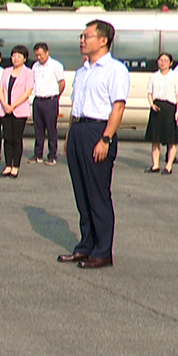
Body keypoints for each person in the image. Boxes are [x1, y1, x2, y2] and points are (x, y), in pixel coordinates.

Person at [59, 20, 129, 270]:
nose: (82, 40)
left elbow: (118, 107)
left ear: (103, 40)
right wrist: (69, 137)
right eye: (81, 35)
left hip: (98, 131)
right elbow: (75, 108)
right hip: (79, 130)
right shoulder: (82, 71)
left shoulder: (114, 69)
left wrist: (106, 139)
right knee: (82, 195)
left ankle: (103, 251)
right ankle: (85, 245)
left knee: (98, 195)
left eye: (86, 36)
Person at [0, 45, 36, 178]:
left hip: (19, 110)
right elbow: (1, 89)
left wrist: (13, 105)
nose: (15, 58)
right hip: (5, 109)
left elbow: (27, 92)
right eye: (14, 55)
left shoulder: (28, 73)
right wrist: (5, 104)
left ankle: (16, 166)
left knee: (16, 139)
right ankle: (8, 164)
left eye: (19, 56)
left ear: (24, 59)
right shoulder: (7, 71)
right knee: (7, 138)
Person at [146, 52, 178, 175]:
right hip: (157, 108)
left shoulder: (175, 77)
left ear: (171, 63)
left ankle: (168, 166)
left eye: (166, 61)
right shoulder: (153, 76)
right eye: (161, 60)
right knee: (155, 139)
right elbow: (149, 93)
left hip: (170, 108)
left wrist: (177, 111)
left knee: (171, 139)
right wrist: (152, 104)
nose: (163, 63)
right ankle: (155, 165)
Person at [31, 42, 65, 165]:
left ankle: (52, 155)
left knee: (51, 129)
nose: (38, 58)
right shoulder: (35, 66)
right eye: (36, 55)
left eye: (40, 55)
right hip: (38, 100)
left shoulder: (56, 65)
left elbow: (62, 83)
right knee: (38, 129)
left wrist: (56, 97)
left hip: (50, 100)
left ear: (47, 52)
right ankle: (37, 154)